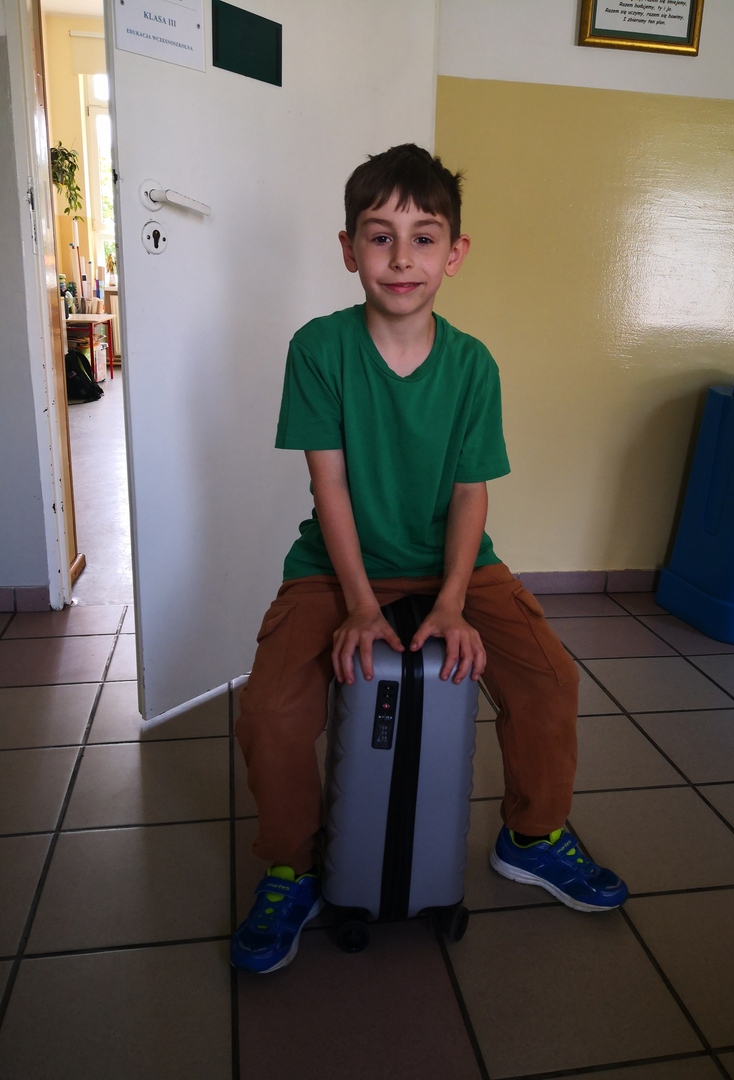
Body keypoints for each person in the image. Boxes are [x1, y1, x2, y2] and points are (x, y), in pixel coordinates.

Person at [230, 144, 627, 975]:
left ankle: (532, 836)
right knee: (269, 709)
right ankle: (292, 868)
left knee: (550, 679)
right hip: (336, 565)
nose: (401, 258)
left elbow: (471, 495)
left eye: (423, 238)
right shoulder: (320, 349)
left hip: (457, 564)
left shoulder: (473, 365)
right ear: (349, 251)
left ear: (455, 253)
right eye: (380, 238)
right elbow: (330, 487)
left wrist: (451, 602)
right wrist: (359, 604)